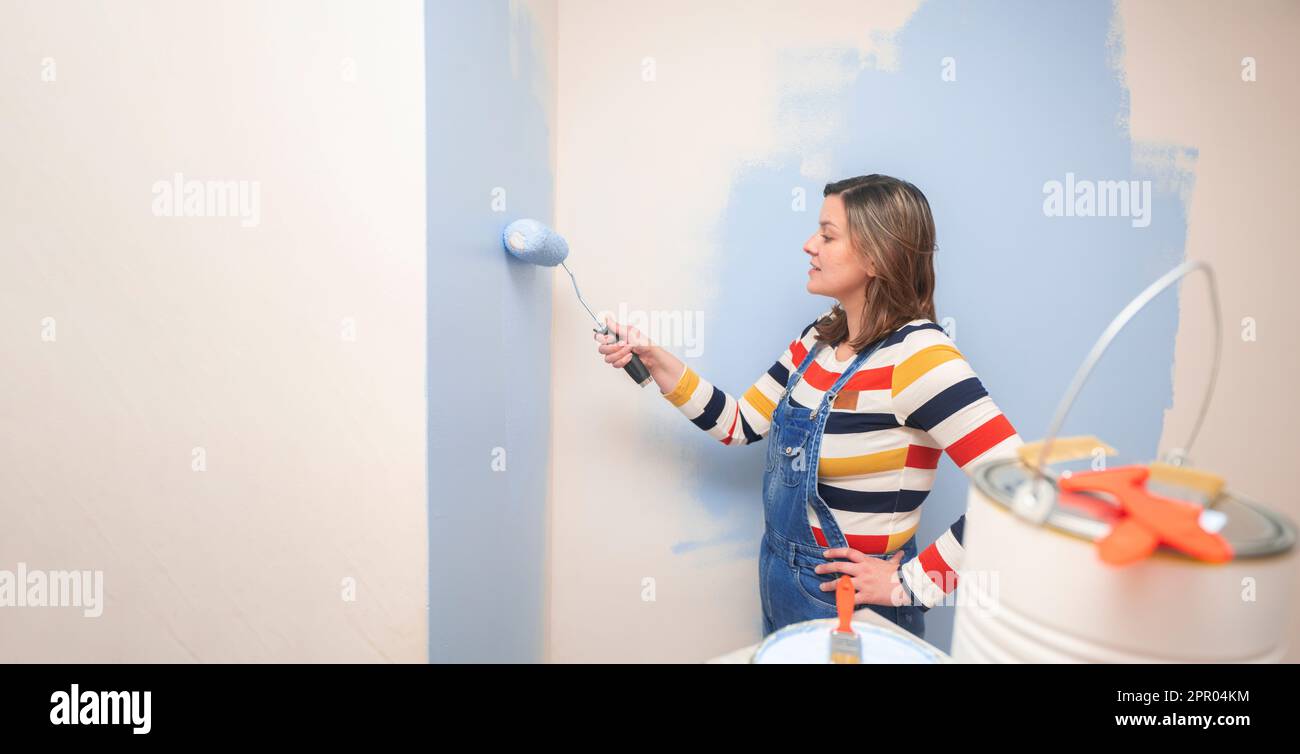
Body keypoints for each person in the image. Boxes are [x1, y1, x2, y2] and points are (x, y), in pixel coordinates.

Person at [593, 174, 1022, 639]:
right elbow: (738, 423)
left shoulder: (920, 358)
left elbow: (1020, 488)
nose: (808, 245)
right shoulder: (819, 338)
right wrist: (657, 361)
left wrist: (910, 584)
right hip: (781, 578)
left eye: (827, 234)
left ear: (878, 256)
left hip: (851, 607)